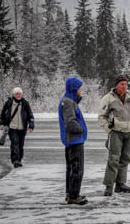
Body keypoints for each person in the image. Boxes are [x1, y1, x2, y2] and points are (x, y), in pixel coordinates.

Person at [98, 75, 130, 197]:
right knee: (113, 159)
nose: (124, 86)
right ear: (116, 85)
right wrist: (109, 131)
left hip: (129, 132)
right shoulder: (108, 98)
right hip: (116, 132)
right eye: (122, 84)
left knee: (125, 159)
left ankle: (120, 184)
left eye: (126, 84)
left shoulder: (129, 97)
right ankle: (109, 187)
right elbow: (101, 117)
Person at [58, 77, 88, 205]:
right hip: (74, 140)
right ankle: (74, 196)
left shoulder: (68, 101)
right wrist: (81, 129)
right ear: (74, 89)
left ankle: (71, 193)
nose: (81, 90)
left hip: (72, 140)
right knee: (77, 169)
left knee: (71, 168)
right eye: (80, 88)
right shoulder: (69, 102)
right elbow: (70, 122)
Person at [0, 87, 34, 168]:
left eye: (19, 94)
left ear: (21, 94)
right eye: (16, 94)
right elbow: (3, 113)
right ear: (13, 95)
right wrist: (1, 123)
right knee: (15, 143)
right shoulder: (9, 103)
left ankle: (19, 159)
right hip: (12, 128)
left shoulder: (25, 103)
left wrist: (31, 125)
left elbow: (30, 115)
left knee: (21, 145)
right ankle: (15, 160)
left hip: (22, 128)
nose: (18, 95)